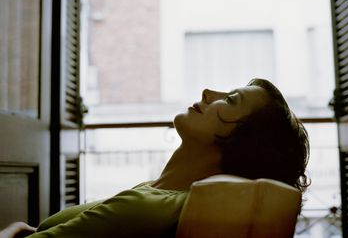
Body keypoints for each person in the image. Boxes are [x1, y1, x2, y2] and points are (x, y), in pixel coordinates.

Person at [1, 78, 310, 238]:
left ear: (245, 141)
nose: (207, 92)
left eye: (230, 100)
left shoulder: (148, 208)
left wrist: (12, 228)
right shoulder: (161, 193)